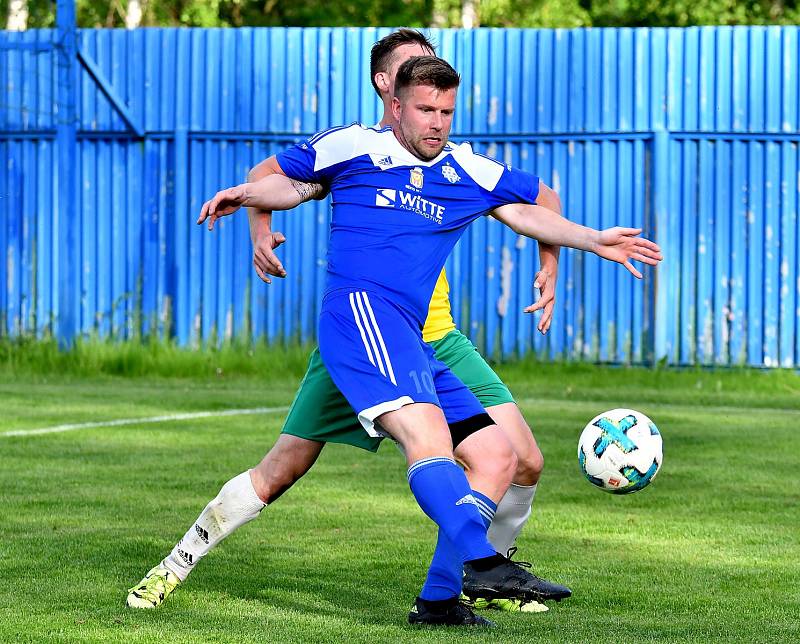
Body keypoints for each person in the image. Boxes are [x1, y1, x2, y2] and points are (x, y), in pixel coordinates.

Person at [132, 56, 661, 628]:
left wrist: (590, 240)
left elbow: (531, 211)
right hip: (359, 319)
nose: (437, 122)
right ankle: (483, 562)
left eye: (447, 112)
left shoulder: (466, 171)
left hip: (414, 340)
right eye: (427, 109)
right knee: (413, 441)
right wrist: (249, 196)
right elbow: (289, 183)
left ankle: (438, 601)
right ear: (395, 105)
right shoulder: (355, 147)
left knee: (498, 456)